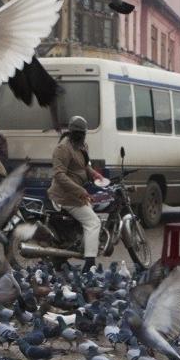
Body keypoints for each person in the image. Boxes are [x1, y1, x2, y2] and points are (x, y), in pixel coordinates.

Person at [48, 115, 103, 270]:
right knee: (93, 222)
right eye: (78, 133)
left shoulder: (82, 146)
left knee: (87, 219)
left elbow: (85, 166)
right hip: (65, 196)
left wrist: (95, 174)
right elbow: (59, 175)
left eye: (83, 133)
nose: (81, 136)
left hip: (77, 195)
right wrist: (81, 191)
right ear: (71, 132)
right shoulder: (63, 149)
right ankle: (90, 263)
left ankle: (65, 255)